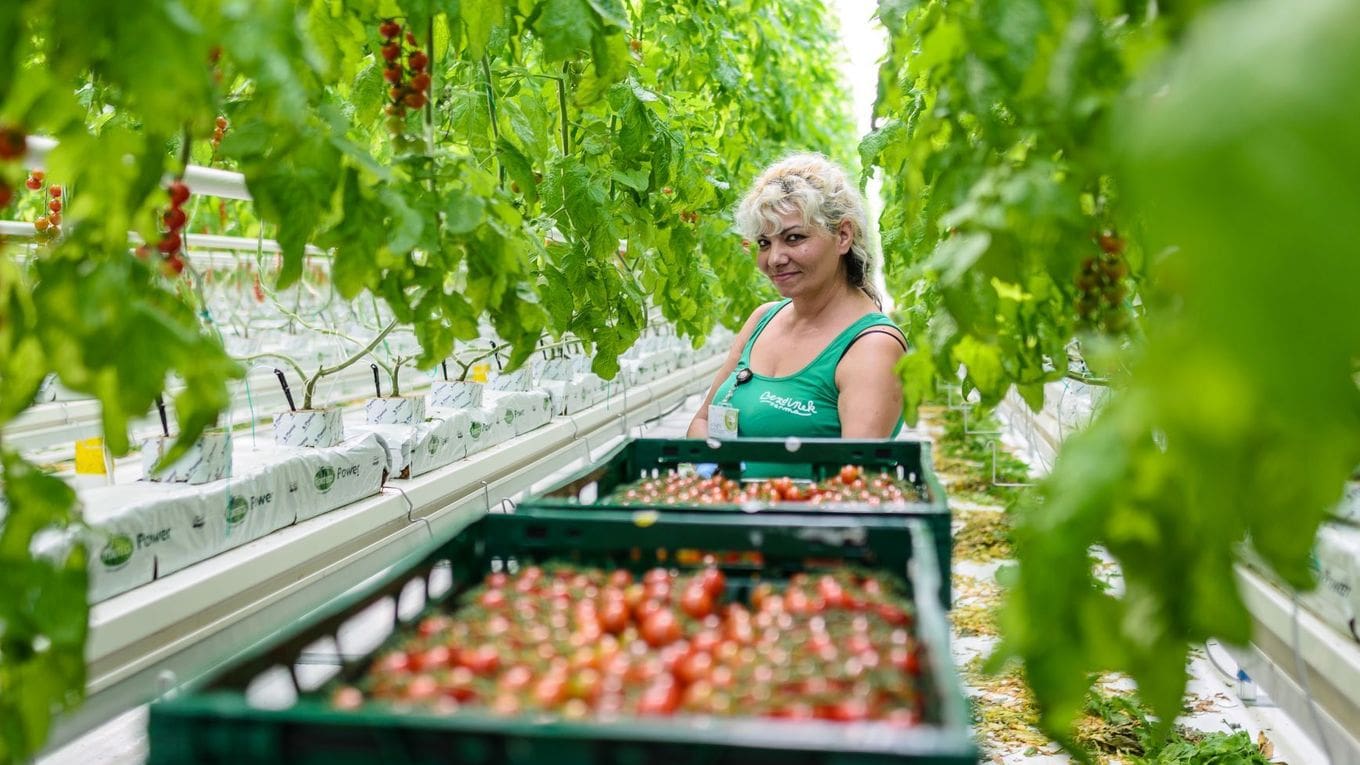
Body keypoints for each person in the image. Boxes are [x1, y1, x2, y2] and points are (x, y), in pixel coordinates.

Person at [687, 153, 907, 442]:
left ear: (843, 236)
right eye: (764, 243)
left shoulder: (872, 347)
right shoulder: (763, 320)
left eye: (794, 238)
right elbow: (702, 421)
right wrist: (718, 472)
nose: (775, 258)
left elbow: (855, 478)